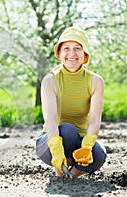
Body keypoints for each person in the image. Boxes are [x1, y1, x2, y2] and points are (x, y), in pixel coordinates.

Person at [35, 27, 107, 178]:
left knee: (99, 154)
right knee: (68, 130)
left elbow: (94, 119)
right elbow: (51, 119)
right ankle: (59, 173)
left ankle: (70, 176)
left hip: (79, 141)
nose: (72, 54)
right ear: (59, 54)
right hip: (49, 142)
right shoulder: (50, 80)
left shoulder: (96, 81)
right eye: (66, 48)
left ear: (85, 54)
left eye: (77, 48)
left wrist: (87, 146)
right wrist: (56, 149)